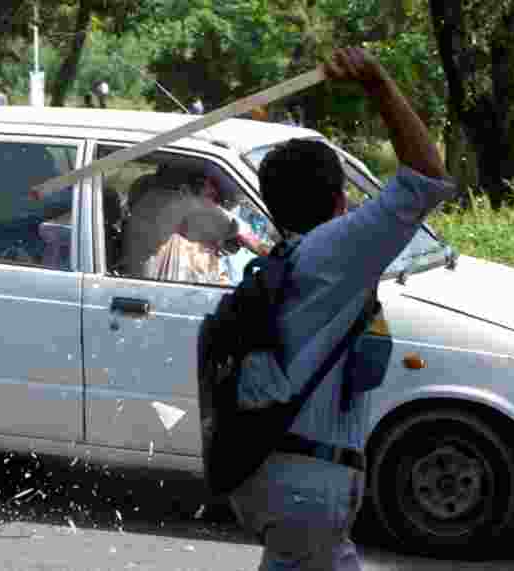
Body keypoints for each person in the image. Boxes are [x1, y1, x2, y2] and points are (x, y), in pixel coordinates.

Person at [226, 46, 452, 571]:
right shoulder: (333, 252)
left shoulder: (292, 261)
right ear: (338, 203)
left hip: (281, 480)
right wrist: (378, 83)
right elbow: (426, 176)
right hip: (308, 487)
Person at [119, 165, 265, 285]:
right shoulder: (162, 204)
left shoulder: (153, 205)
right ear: (185, 190)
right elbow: (240, 231)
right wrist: (268, 251)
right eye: (210, 197)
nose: (215, 203)